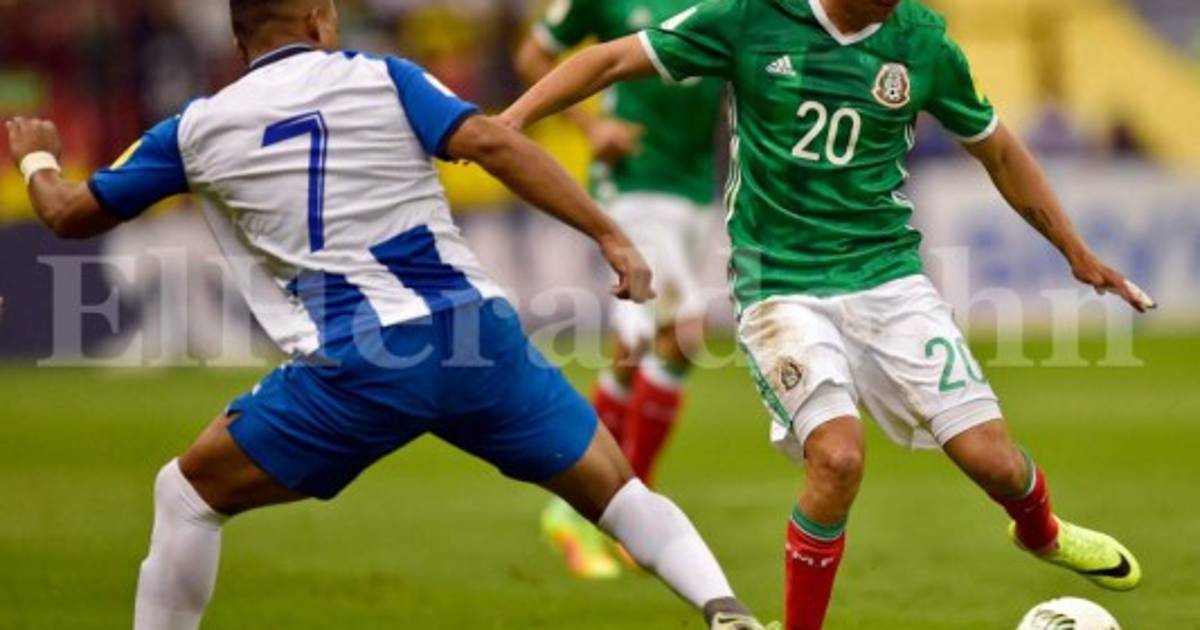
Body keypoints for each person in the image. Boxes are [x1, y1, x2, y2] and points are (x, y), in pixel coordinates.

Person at [4, 1, 766, 628]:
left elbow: (69, 214)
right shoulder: (384, 76)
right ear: (315, 19)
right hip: (475, 338)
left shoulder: (196, 129)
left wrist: (37, 156)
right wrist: (609, 235)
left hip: (359, 362)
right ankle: (725, 609)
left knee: (186, 495)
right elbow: (494, 145)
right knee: (620, 493)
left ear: (239, 41)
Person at [500, 0, 1151, 628]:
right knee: (837, 459)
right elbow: (610, 60)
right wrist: (513, 121)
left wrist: (1075, 251)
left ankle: (1040, 532)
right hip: (780, 285)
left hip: (889, 278)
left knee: (994, 462)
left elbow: (999, 150)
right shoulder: (752, 16)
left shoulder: (921, 41)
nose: (892, 2)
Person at [513, 0, 725, 579]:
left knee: (640, 353)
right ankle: (628, 508)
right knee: (682, 332)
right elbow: (533, 55)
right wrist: (591, 127)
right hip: (632, 178)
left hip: (693, 185)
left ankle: (583, 508)